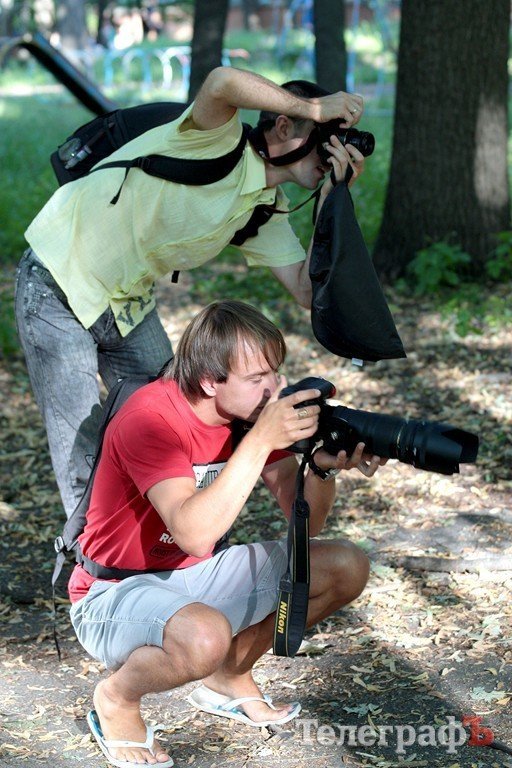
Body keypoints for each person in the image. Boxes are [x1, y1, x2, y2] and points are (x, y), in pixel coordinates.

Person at [14, 66, 366, 520]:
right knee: (82, 441)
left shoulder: (263, 210)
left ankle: (168, 538)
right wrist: (313, 108)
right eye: (324, 139)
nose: (329, 153)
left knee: (178, 414)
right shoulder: (215, 139)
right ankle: (89, 574)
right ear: (283, 126)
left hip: (123, 301)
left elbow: (305, 290)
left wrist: (334, 199)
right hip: (57, 279)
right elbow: (221, 81)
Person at [69, 299, 384, 768]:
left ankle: (229, 678)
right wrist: (260, 441)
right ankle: (115, 700)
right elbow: (195, 534)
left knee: (343, 566)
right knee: (203, 637)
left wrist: (320, 468)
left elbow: (307, 524)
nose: (272, 390)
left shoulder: (247, 417)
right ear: (209, 381)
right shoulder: (150, 419)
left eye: (275, 374)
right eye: (257, 380)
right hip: (111, 592)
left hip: (194, 577)